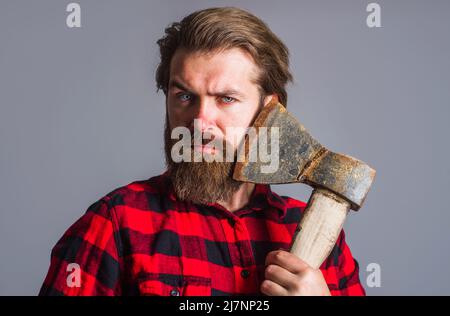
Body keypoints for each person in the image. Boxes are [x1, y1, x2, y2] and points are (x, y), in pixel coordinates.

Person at [39, 7, 365, 296]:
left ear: (270, 111)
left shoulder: (320, 240)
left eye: (225, 98)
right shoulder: (116, 223)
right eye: (184, 96)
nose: (199, 121)